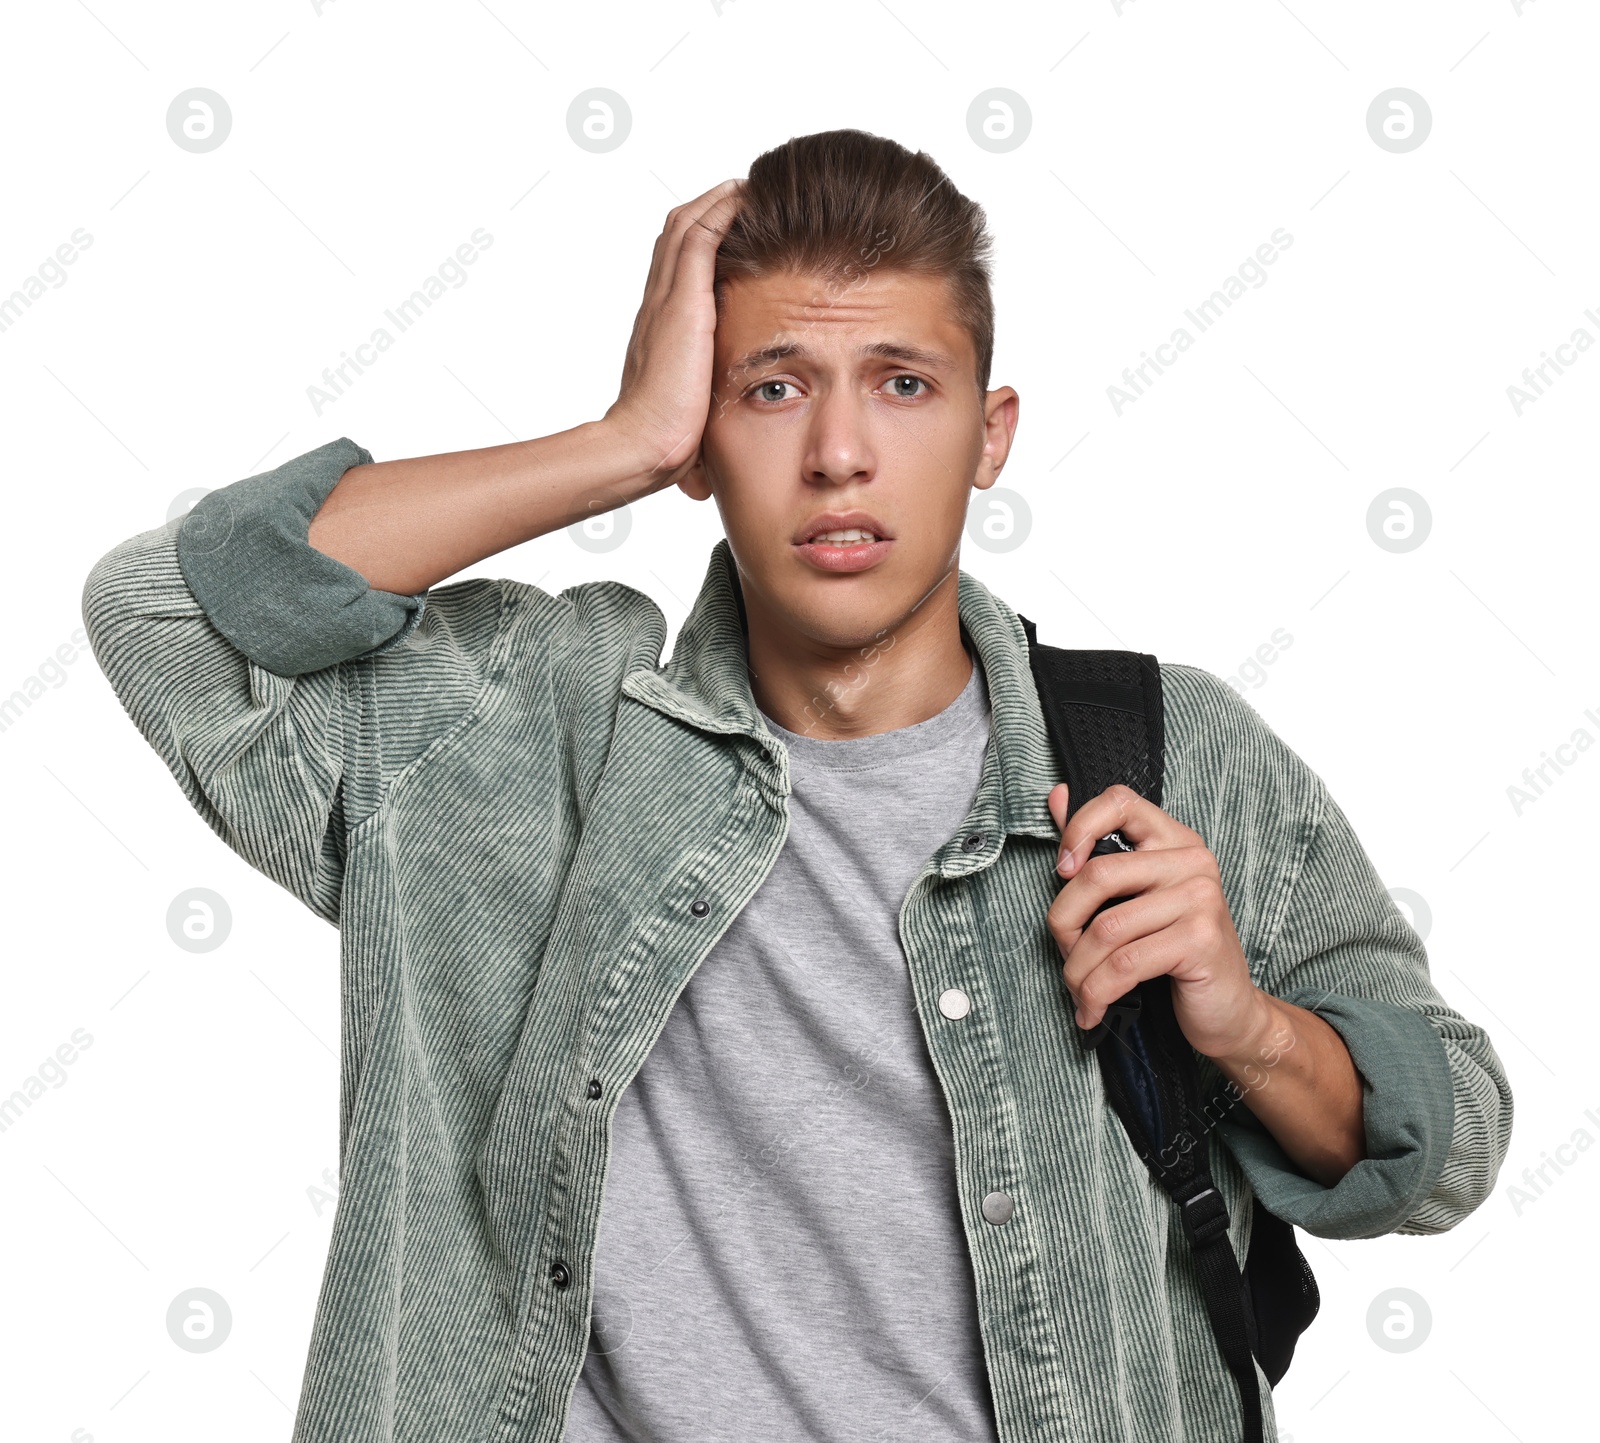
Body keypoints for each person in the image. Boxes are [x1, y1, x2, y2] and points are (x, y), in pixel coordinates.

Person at [82, 129, 1511, 1443]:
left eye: (903, 384)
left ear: (991, 433)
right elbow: (169, 610)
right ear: (703, 439)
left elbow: (1449, 1133)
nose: (838, 454)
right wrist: (614, 447)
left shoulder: (1160, 748)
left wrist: (1251, 1030)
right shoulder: (529, 730)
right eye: (773, 390)